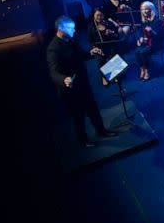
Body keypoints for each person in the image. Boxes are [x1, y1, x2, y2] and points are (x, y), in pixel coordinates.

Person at [46, 16, 117, 147]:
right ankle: (83, 141)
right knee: (78, 116)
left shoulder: (71, 40)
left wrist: (91, 53)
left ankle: (101, 131)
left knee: (93, 109)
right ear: (61, 29)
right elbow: (53, 72)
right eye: (71, 28)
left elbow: (80, 55)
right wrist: (64, 79)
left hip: (83, 83)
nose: (74, 30)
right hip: (71, 89)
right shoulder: (53, 48)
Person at [87, 8, 124, 86]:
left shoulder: (108, 23)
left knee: (114, 55)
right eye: (97, 15)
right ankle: (104, 76)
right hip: (99, 48)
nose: (99, 17)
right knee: (100, 59)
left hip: (110, 47)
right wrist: (95, 48)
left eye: (101, 15)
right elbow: (91, 41)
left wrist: (112, 32)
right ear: (93, 16)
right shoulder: (91, 27)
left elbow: (117, 37)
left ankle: (113, 74)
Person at [135, 1, 163, 81]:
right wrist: (139, 38)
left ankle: (147, 71)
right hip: (146, 43)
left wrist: (152, 31)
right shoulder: (143, 21)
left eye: (146, 9)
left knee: (143, 52)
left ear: (151, 9)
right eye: (143, 10)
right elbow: (139, 32)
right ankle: (142, 70)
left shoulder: (157, 20)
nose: (144, 11)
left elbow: (160, 36)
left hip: (155, 44)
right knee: (136, 52)